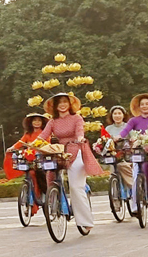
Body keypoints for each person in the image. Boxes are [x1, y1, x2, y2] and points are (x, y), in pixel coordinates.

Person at [37, 93, 102, 231]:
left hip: (75, 150)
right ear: (55, 106)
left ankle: (86, 221)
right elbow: (43, 136)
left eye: (65, 102)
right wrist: (32, 144)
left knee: (75, 186)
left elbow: (79, 131)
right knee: (51, 174)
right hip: (59, 152)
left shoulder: (76, 118)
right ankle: (55, 202)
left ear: (70, 104)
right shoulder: (53, 121)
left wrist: (80, 138)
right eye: (59, 102)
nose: (62, 105)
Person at [117, 93, 148, 211]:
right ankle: (136, 206)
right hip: (139, 150)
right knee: (135, 177)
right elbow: (125, 130)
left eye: (147, 104)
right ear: (139, 107)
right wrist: (118, 137)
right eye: (142, 104)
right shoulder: (134, 120)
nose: (144, 106)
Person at [5, 113, 49, 214]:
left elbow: (47, 144)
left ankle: (41, 197)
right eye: (34, 120)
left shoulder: (44, 133)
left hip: (40, 160)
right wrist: (12, 148)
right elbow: (20, 143)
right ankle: (31, 202)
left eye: (39, 120)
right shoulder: (28, 134)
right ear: (31, 123)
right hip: (29, 160)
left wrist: (40, 149)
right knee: (29, 174)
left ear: (42, 123)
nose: (37, 123)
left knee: (38, 175)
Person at [102, 105, 134, 191]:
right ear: (111, 116)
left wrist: (132, 140)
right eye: (115, 113)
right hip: (113, 154)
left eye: (119, 113)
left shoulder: (128, 126)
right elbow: (104, 140)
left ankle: (134, 186)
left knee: (121, 165)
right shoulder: (108, 128)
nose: (117, 115)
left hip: (126, 154)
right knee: (112, 168)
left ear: (124, 115)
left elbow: (134, 137)